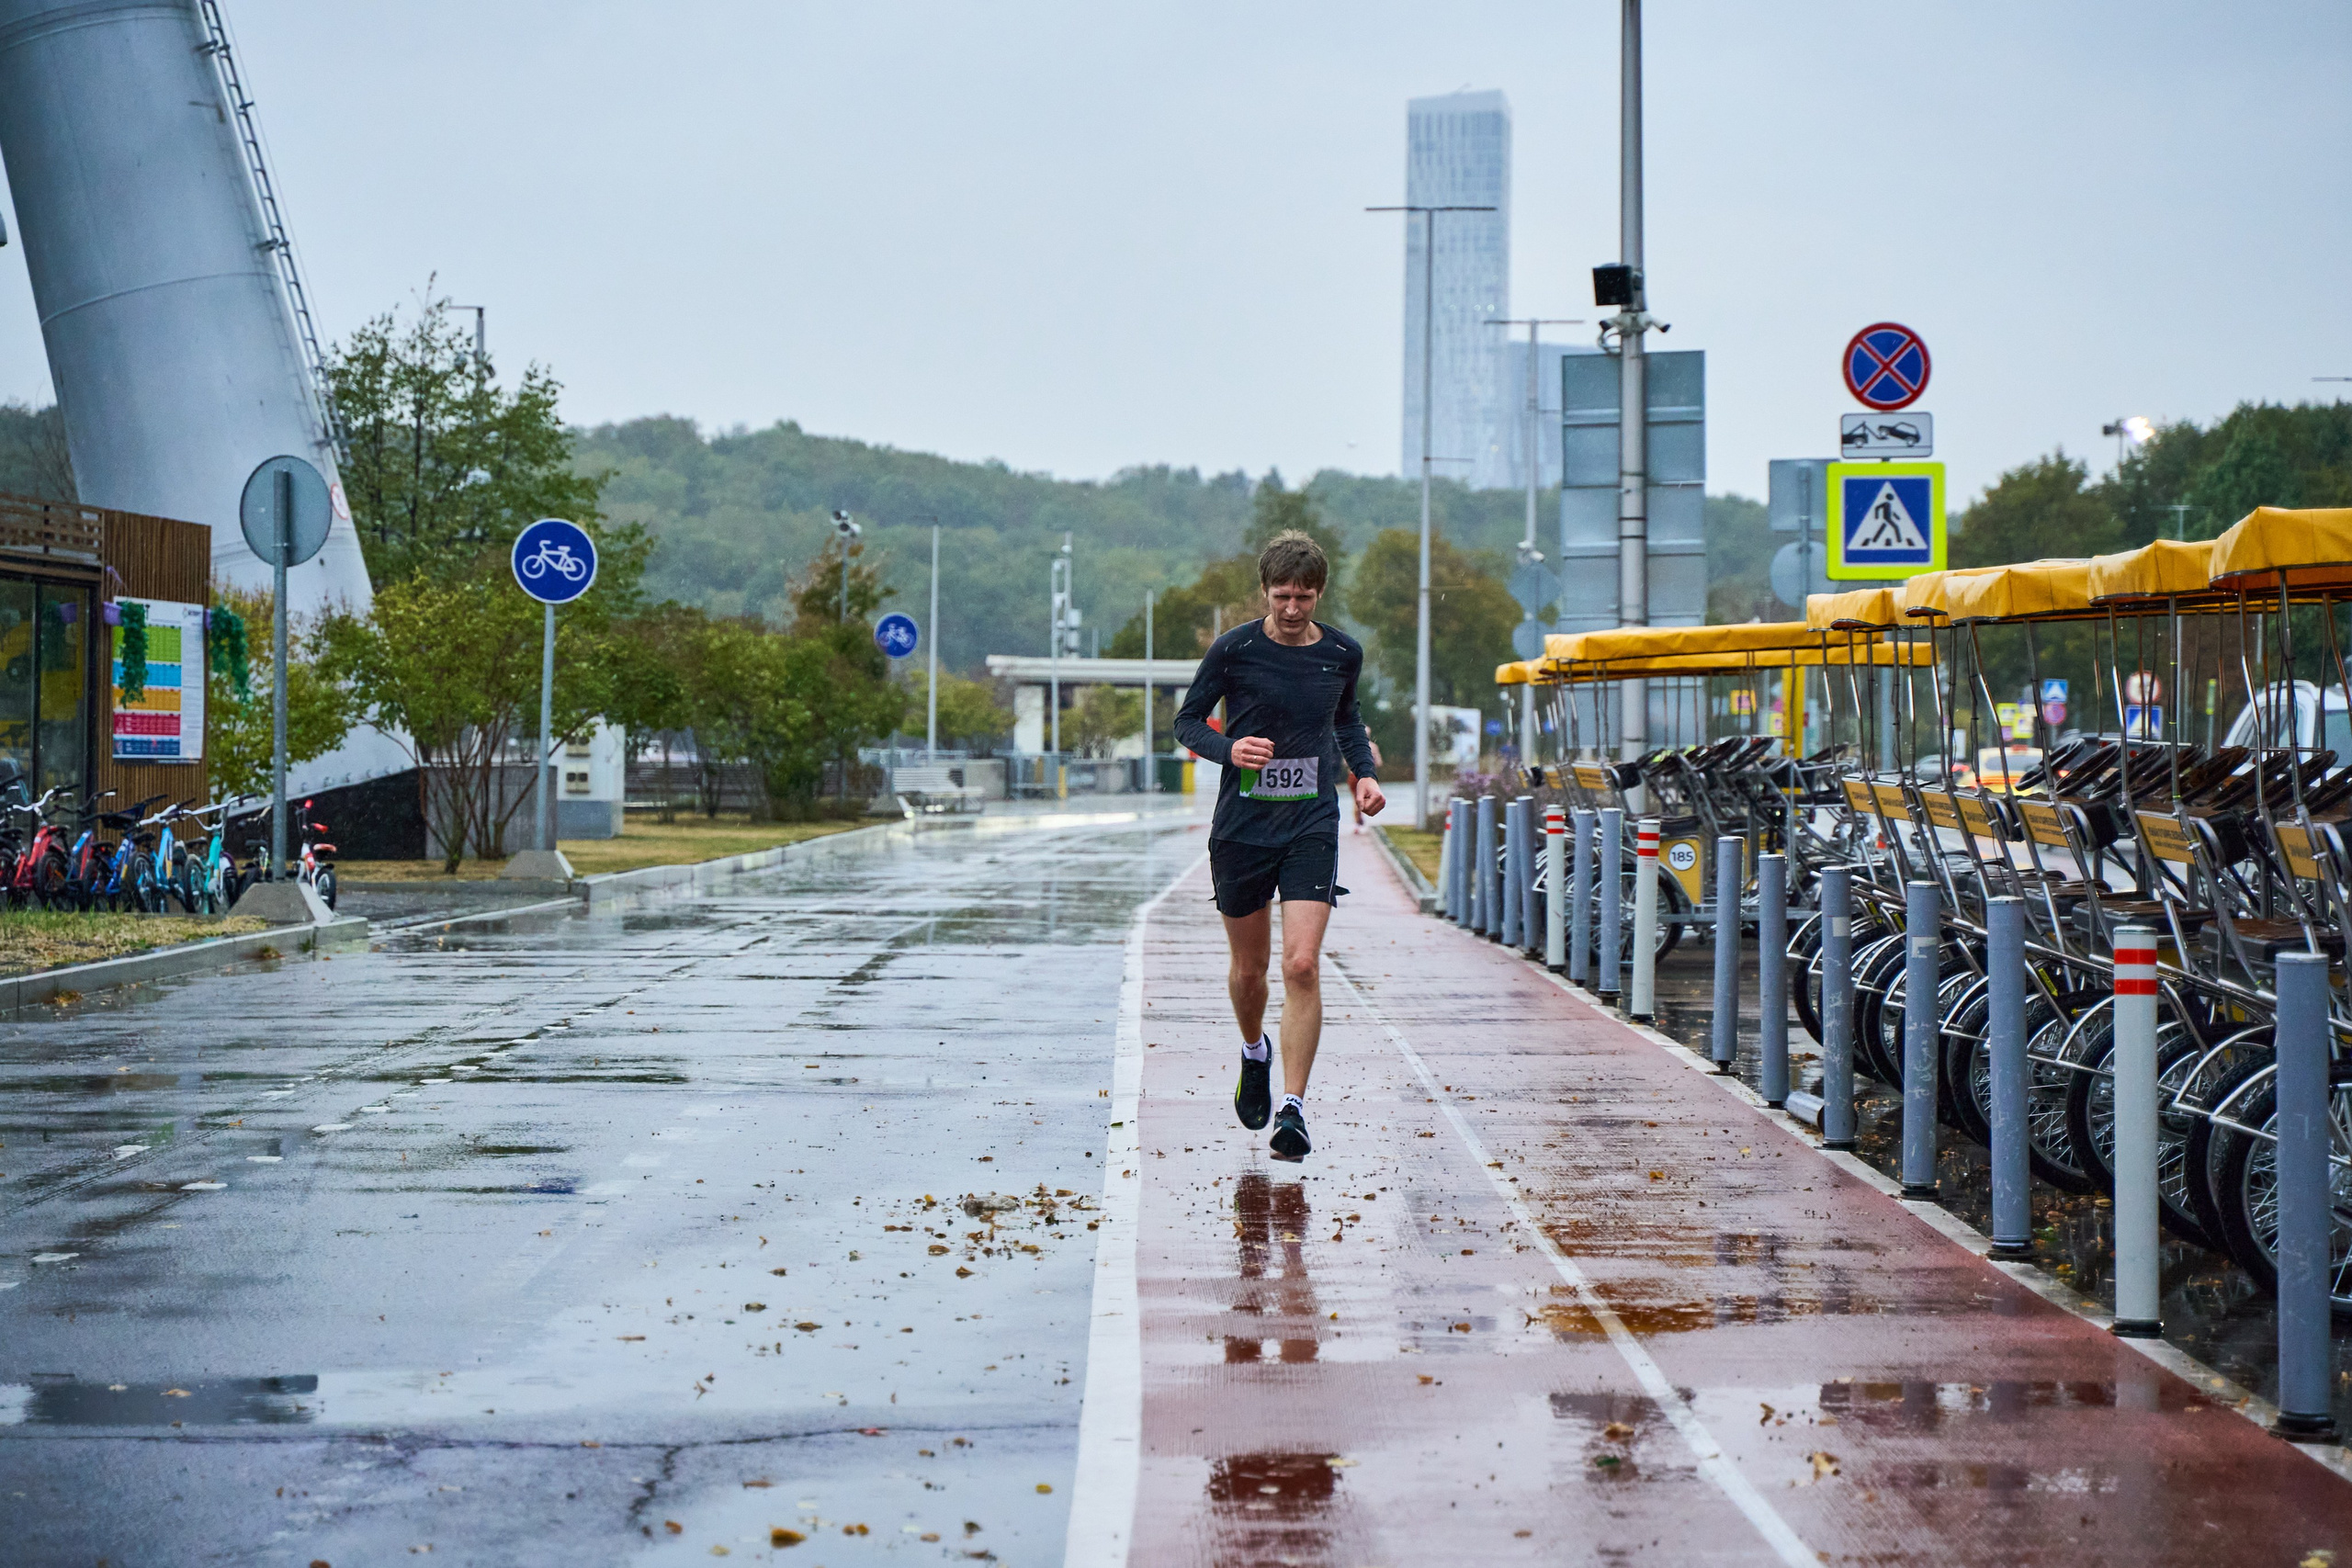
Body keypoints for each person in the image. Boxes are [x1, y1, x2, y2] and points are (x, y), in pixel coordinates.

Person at [1174, 531, 1383, 1161]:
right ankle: (1254, 1051)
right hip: (1242, 826)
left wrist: (1363, 773)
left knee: (1301, 964)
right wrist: (1229, 749)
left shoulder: (1342, 653)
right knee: (1249, 971)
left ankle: (1293, 1108)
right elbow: (1187, 721)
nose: (1292, 609)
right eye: (1282, 596)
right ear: (1265, 591)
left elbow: (1345, 719)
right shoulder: (1234, 649)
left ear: (1320, 594)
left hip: (1310, 822)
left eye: (1304, 597)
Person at [1351, 739, 1385, 832]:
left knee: (1356, 799)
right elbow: (1379, 763)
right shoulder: (1373, 747)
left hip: (1353, 775)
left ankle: (1358, 822)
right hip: (1365, 775)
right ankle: (1358, 822)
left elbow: (1345, 763)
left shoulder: (1350, 743)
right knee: (1362, 799)